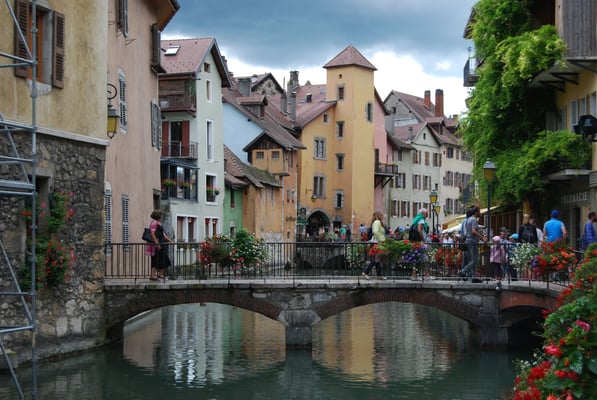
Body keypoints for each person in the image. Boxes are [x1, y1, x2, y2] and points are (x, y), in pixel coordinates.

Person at [460, 206, 487, 282]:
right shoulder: (474, 219)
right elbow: (473, 231)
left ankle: (473, 277)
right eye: (479, 211)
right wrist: (482, 238)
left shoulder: (468, 219)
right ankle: (463, 271)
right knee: (475, 260)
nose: (480, 213)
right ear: (476, 212)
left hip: (468, 241)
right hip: (472, 242)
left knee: (472, 260)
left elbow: (470, 230)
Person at [146, 209, 174, 281]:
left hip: (161, 243)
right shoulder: (154, 222)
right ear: (158, 216)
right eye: (160, 215)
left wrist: (170, 241)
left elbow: (163, 235)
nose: (161, 216)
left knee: (162, 259)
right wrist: (157, 244)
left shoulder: (159, 223)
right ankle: (154, 275)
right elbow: (152, 234)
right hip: (157, 244)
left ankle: (159, 274)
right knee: (158, 259)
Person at [362, 211, 386, 280]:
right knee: (376, 260)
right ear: (378, 216)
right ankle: (365, 272)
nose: (382, 216)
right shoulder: (377, 222)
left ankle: (379, 275)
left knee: (377, 260)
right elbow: (375, 231)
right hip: (377, 242)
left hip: (377, 242)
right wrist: (381, 240)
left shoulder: (377, 222)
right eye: (381, 215)